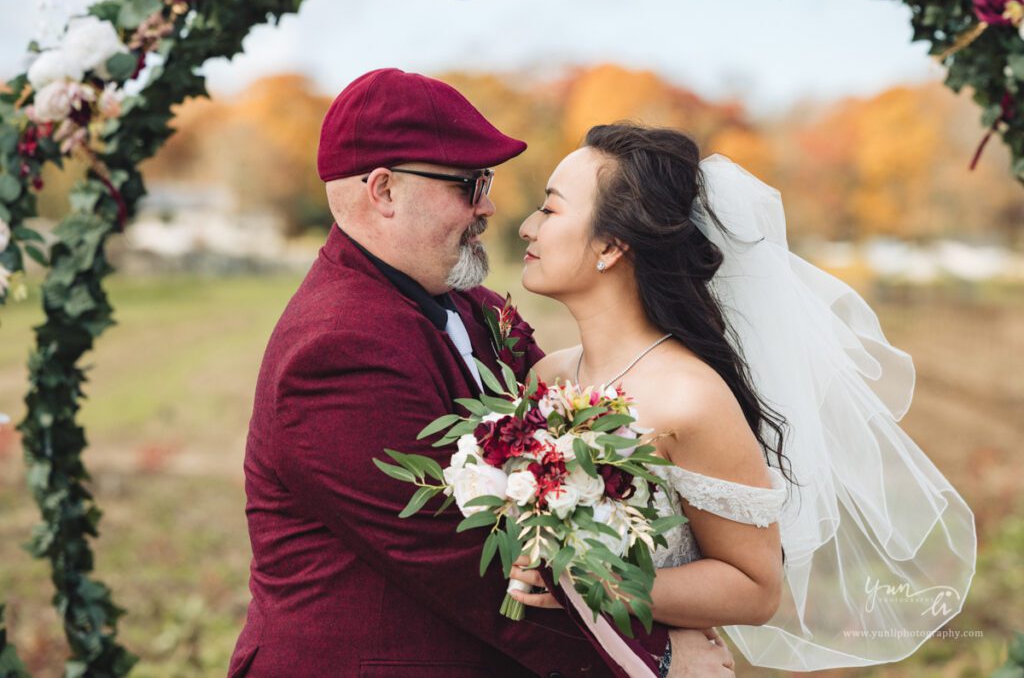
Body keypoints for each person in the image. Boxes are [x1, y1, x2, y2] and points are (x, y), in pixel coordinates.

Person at [228, 70, 735, 678]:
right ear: (384, 191)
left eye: (486, 183)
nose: (489, 206)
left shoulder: (478, 307)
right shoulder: (336, 349)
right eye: (469, 184)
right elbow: (473, 565)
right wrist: (658, 660)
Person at [509, 122, 976, 674]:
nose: (525, 227)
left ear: (611, 245)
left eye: (550, 209)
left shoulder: (690, 397)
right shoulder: (549, 374)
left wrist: (588, 584)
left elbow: (754, 588)